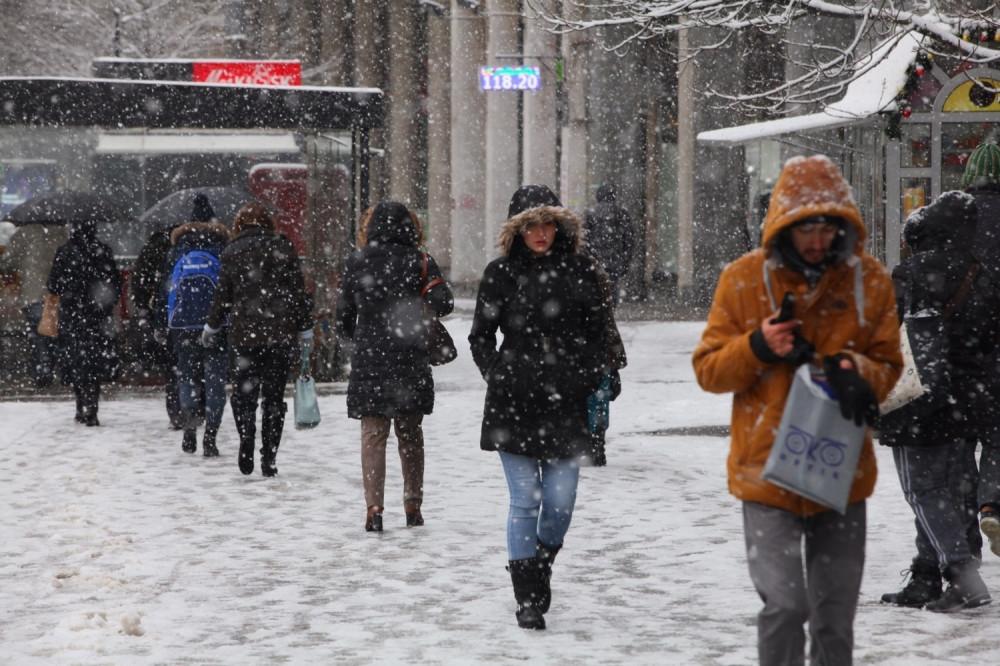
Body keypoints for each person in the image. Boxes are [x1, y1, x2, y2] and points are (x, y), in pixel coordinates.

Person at [692, 155, 902, 664]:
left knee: (835, 619)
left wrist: (858, 372)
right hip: (766, 473)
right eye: (806, 226)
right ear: (783, 223)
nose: (817, 239)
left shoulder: (868, 279)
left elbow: (889, 363)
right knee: (786, 606)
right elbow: (709, 370)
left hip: (841, 471)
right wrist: (758, 348)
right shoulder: (743, 279)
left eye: (828, 226)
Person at [469, 185, 616, 630]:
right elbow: (480, 335)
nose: (540, 232)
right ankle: (526, 596)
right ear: (517, 229)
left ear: (560, 225)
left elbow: (598, 332)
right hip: (513, 400)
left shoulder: (581, 269)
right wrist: (498, 372)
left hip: (565, 399)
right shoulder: (500, 273)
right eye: (530, 225)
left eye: (547, 223)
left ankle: (543, 559)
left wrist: (586, 375)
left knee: (560, 501)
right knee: (525, 501)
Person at [878, 191, 997, 612]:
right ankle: (926, 576)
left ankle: (962, 578)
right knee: (949, 489)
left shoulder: (913, 271)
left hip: (917, 399)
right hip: (967, 400)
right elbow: (987, 342)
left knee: (922, 490)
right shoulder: (979, 273)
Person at [335, 202, 454, 532]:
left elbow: (343, 316)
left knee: (373, 434)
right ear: (412, 227)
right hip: (409, 355)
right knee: (410, 433)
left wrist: (354, 342)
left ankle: (374, 508)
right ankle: (412, 505)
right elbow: (444, 303)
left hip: (370, 358)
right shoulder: (421, 260)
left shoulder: (358, 261)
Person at [203, 202, 313, 477]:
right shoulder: (283, 248)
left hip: (244, 337)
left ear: (239, 225)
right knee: (274, 399)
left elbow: (223, 297)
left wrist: (211, 326)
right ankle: (269, 458)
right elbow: (297, 293)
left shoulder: (231, 252)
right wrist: (306, 328)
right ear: (267, 223)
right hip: (279, 335)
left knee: (243, 396)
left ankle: (246, 439)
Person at [154, 194, 230, 457]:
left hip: (182, 324)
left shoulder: (178, 249)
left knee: (187, 375)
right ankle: (211, 435)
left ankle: (189, 425)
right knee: (215, 378)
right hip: (215, 323)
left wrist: (160, 323)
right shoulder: (222, 248)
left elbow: (165, 290)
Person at [45, 218, 123, 426]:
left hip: (72, 315)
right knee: (94, 361)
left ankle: (81, 404)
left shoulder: (65, 252)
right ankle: (92, 406)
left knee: (76, 359)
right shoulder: (103, 251)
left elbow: (53, 285)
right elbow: (115, 283)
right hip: (98, 316)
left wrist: (68, 289)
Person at [962, 141, 1000, 558]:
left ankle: (961, 536)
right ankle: (991, 503)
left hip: (964, 347)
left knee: (959, 440)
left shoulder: (956, 217)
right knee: (997, 436)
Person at [0, 220, 69, 387]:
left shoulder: (25, 233)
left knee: (38, 336)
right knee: (58, 334)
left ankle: (42, 373)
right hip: (58, 295)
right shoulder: (62, 234)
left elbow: (7, 263)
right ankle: (62, 372)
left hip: (33, 294)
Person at [132, 218, 184, 429]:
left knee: (171, 368)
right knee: (192, 365)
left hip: (164, 315)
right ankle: (194, 407)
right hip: (191, 315)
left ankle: (176, 412)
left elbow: (139, 283)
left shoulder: (152, 248)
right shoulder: (186, 248)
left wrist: (145, 308)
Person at [582, 183, 634, 306]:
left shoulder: (590, 213)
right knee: (612, 289)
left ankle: (598, 312)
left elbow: (583, 238)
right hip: (614, 260)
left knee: (596, 289)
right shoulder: (621, 213)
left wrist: (587, 257)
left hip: (595, 260)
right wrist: (625, 260)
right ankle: (610, 312)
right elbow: (629, 240)